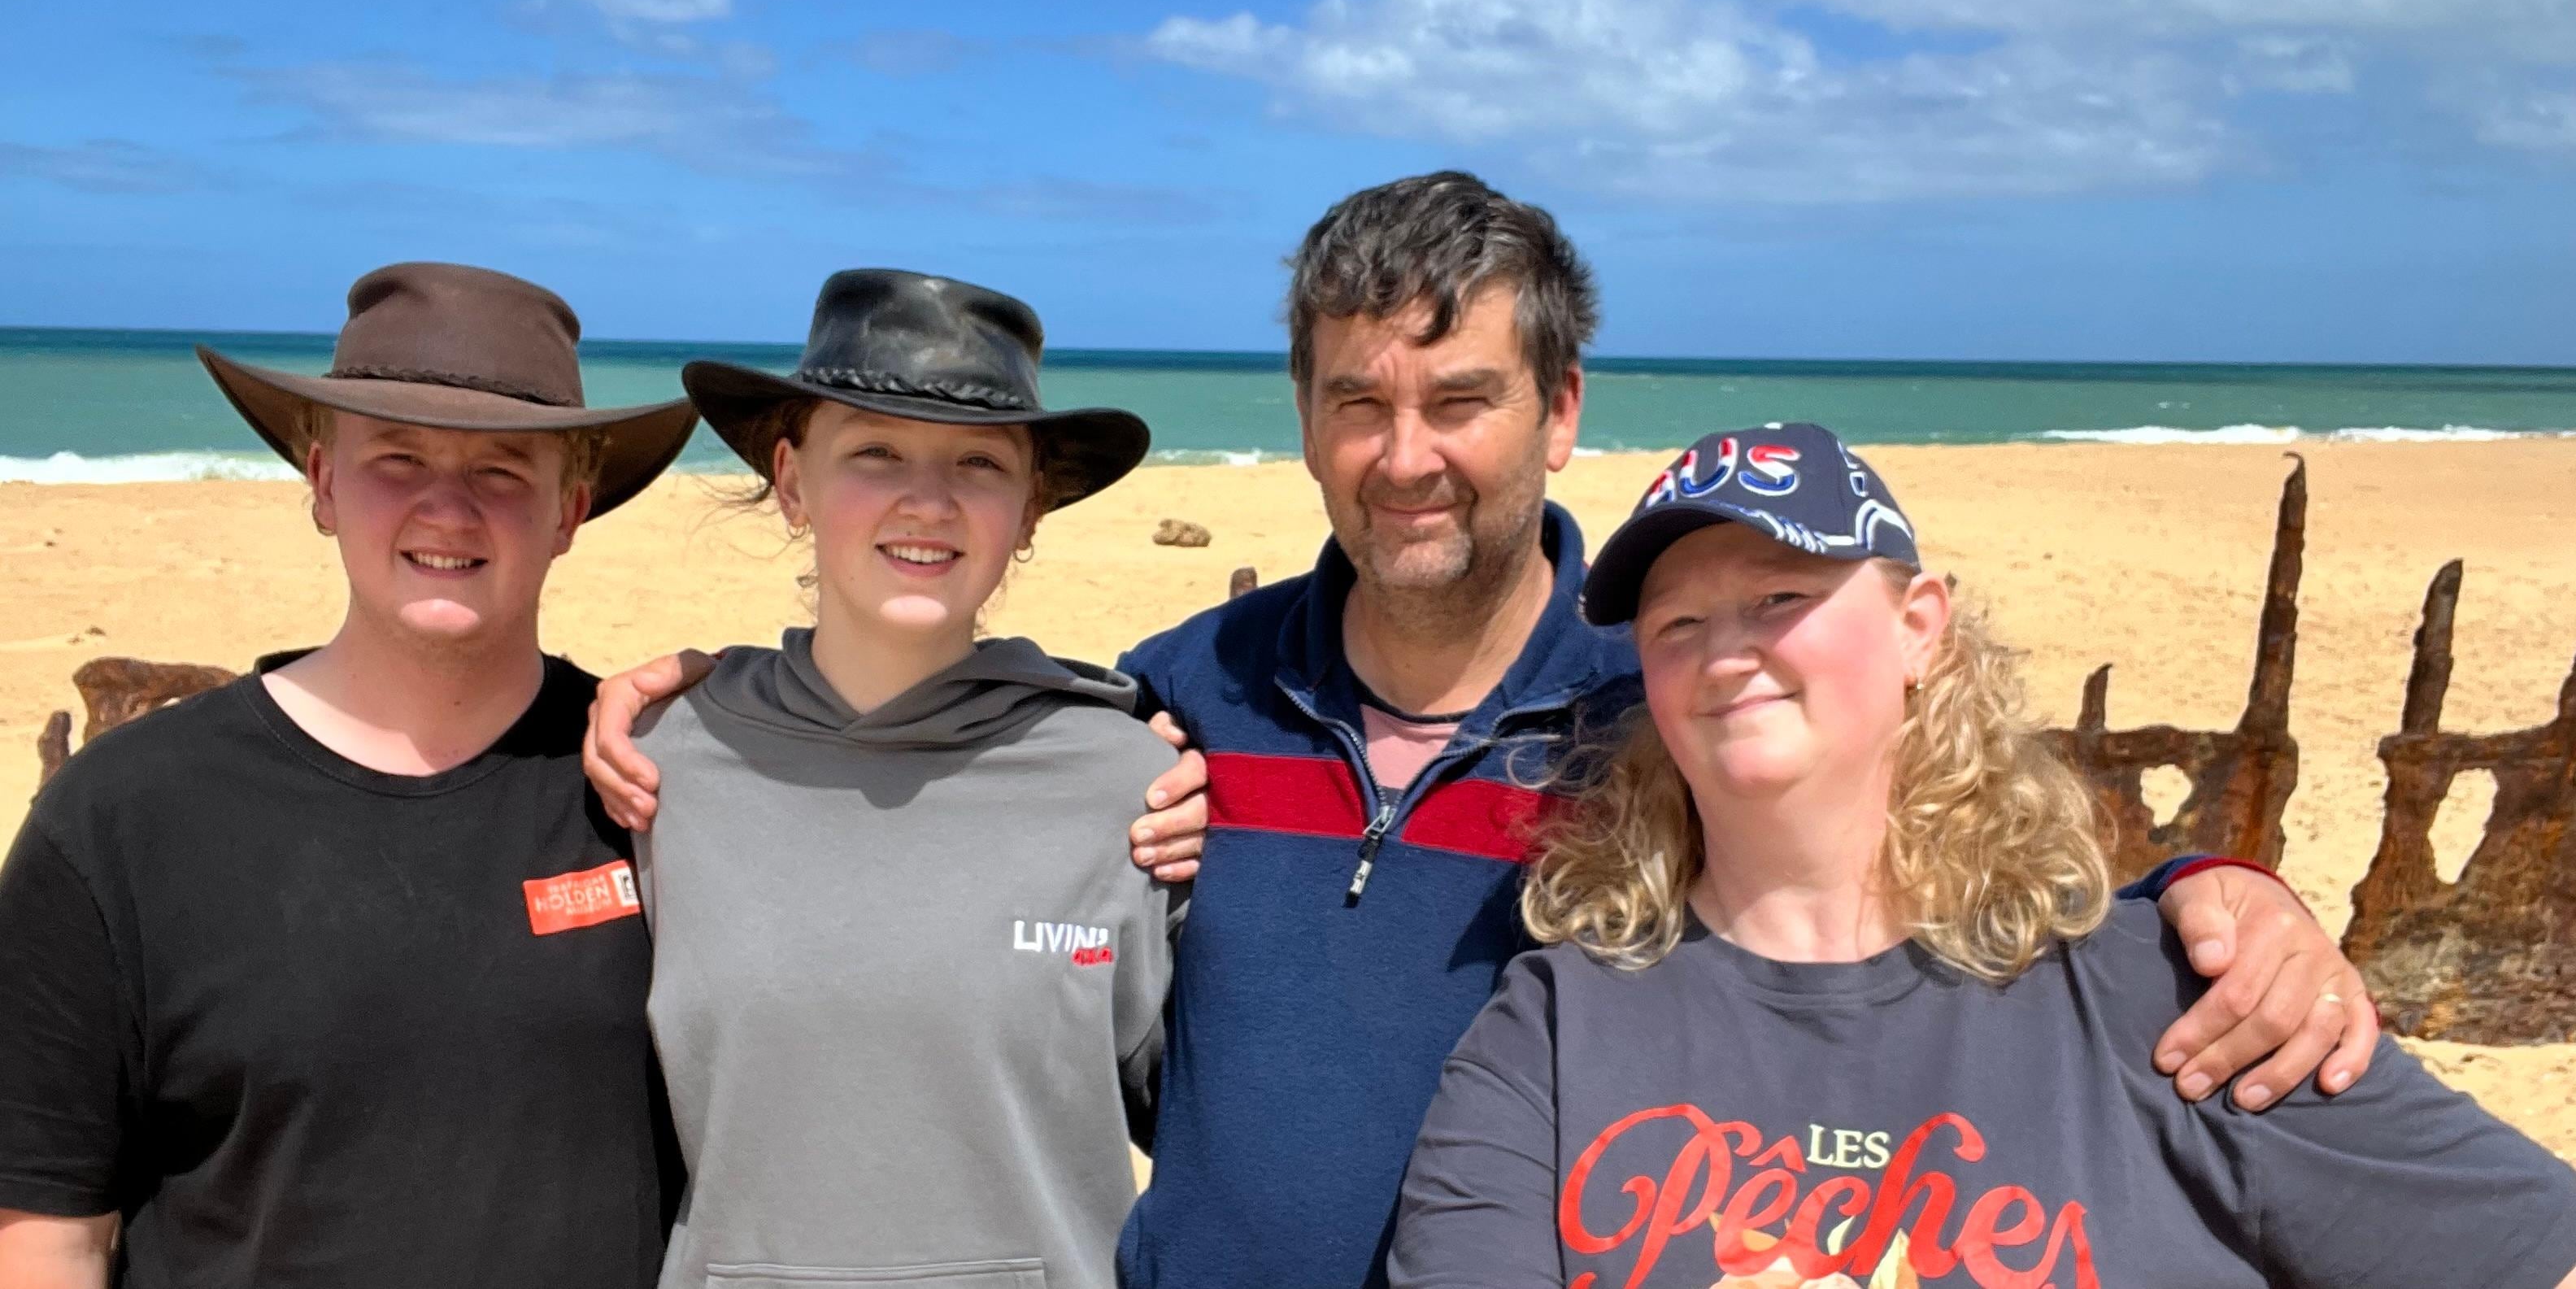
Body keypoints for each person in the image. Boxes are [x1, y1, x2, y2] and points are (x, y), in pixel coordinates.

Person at [583, 173, 2383, 1289]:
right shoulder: (1178, 696)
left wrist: (2216, 895)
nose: (1406, 453)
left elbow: (1933, 843)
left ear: (1561, 411)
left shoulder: (1667, 704)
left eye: (1461, 398)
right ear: (1300, 418)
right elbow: (937, 743)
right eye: (1356, 402)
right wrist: (693, 695)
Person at [1388, 422, 2576, 1289]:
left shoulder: (2172, 995)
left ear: (1919, 626)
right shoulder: (1559, 1021)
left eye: (1782, 595)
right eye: (1679, 623)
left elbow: (2526, 1245)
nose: (1727, 652)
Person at [0, 263, 700, 1288]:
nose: (448, 510)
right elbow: (48, 1229)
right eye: (399, 458)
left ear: (571, 510)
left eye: (505, 470)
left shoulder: (656, 790)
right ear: (322, 484)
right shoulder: (122, 813)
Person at [631, 270, 1181, 1289]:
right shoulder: (658, 764)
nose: (927, 501)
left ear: (1030, 511)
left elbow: (1219, 1145)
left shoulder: (1136, 788)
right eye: (875, 452)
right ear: (792, 482)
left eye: (978, 462)